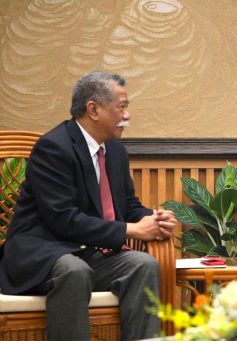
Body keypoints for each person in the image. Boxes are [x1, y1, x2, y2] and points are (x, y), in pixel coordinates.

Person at [0, 71, 177, 340]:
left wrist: (154, 218)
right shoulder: (54, 147)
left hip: (87, 251)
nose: (127, 116)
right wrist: (132, 230)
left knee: (142, 264)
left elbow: (128, 206)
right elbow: (63, 219)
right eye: (121, 108)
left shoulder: (115, 151)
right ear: (93, 109)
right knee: (74, 270)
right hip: (42, 252)